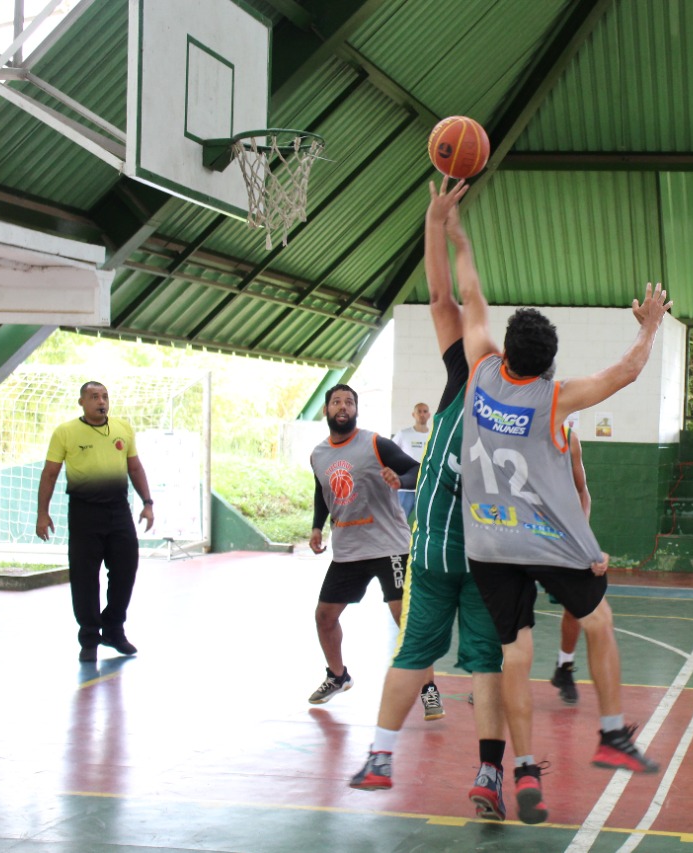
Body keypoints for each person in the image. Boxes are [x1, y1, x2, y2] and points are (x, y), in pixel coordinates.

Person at [456, 207, 670, 822]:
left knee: (514, 658)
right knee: (598, 621)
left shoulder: (480, 374)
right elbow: (627, 373)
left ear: (507, 351)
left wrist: (456, 232)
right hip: (546, 541)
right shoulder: (554, 398)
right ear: (549, 361)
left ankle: (522, 771)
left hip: (488, 545)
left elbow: (471, 297)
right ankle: (610, 734)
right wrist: (649, 328)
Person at [348, 179, 508, 823]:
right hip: (457, 558)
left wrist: (445, 226)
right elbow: (450, 296)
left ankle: (471, 768)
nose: (476, 343)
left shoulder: (496, 397)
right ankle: (409, 759)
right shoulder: (485, 384)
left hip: (474, 559)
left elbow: (462, 299)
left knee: (463, 664)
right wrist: (439, 224)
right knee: (440, 659)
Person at [307, 384, 444, 721]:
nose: (343, 406)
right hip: (348, 548)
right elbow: (320, 490)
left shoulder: (374, 443)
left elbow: (417, 470)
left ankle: (428, 689)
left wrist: (399, 477)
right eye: (336, 401)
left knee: (404, 617)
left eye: (349, 402)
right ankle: (338, 676)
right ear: (326, 410)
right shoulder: (319, 454)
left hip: (389, 545)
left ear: (356, 410)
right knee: (324, 617)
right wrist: (316, 526)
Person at [36, 381, 155, 663]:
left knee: (126, 569)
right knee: (85, 577)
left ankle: (113, 629)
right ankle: (89, 637)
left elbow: (135, 467)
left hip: (118, 510)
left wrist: (148, 503)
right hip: (84, 512)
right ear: (82, 402)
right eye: (93, 397)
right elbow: (50, 473)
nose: (101, 401)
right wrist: (42, 512)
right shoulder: (65, 432)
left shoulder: (123, 429)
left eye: (104, 396)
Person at [549, 423, 591, 705]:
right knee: (510, 605)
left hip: (562, 534)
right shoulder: (513, 430)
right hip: (521, 531)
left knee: (575, 606)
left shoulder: (569, 439)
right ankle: (493, 672)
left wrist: (581, 531)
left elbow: (583, 492)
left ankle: (564, 667)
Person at [391, 402, 431, 517]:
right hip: (406, 488)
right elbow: (389, 454)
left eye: (425, 411)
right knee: (399, 520)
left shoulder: (432, 435)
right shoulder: (403, 434)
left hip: (425, 488)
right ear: (413, 414)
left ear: (429, 415)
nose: (422, 414)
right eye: (419, 411)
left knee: (425, 520)